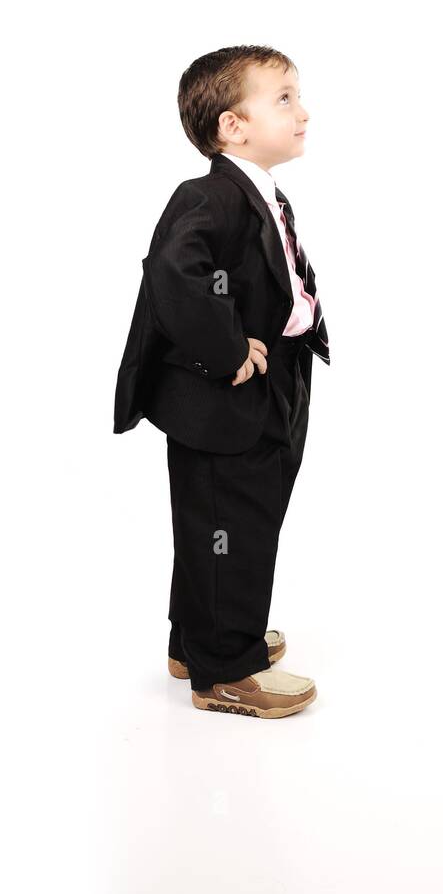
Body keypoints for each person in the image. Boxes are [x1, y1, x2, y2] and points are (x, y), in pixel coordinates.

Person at [114, 45, 330, 718]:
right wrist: (226, 346)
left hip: (275, 381)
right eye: (284, 99)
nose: (303, 112)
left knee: (229, 521)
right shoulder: (208, 194)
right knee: (231, 525)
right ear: (232, 127)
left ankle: (198, 639)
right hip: (225, 392)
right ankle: (225, 671)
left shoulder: (258, 192)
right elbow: (172, 270)